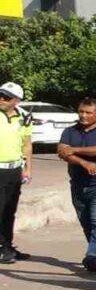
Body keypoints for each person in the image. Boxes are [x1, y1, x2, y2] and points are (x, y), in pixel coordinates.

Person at [57, 97, 96, 272]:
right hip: (77, 183)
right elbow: (62, 152)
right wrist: (84, 163)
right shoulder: (70, 131)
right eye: (81, 112)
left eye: (88, 112)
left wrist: (74, 149)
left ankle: (91, 256)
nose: (83, 115)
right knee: (86, 223)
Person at [0, 82, 33, 264]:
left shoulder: (24, 117)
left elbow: (26, 144)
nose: (1, 99)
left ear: (16, 101)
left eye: (6, 97)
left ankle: (7, 245)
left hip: (14, 170)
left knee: (9, 210)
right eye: (0, 95)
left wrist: (27, 169)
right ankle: (2, 248)